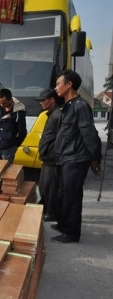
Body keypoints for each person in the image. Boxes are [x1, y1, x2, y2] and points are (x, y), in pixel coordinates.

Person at [51, 70, 102, 243]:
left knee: (72, 196)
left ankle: (72, 233)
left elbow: (90, 134)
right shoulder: (69, 106)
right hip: (66, 158)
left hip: (76, 159)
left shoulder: (80, 106)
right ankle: (64, 224)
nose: (56, 87)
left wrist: (95, 158)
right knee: (63, 194)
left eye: (58, 83)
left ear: (69, 84)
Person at [35, 88, 63, 222]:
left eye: (43, 100)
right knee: (44, 185)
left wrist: (53, 153)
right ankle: (45, 207)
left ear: (52, 100)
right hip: (48, 158)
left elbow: (62, 138)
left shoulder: (57, 115)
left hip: (53, 159)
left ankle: (52, 212)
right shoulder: (51, 114)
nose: (41, 103)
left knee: (51, 186)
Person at [0, 88, 27, 169]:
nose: (1, 105)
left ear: (10, 100)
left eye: (4, 103)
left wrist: (15, 145)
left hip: (8, 149)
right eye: (0, 102)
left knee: (5, 173)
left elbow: (22, 132)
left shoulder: (19, 112)